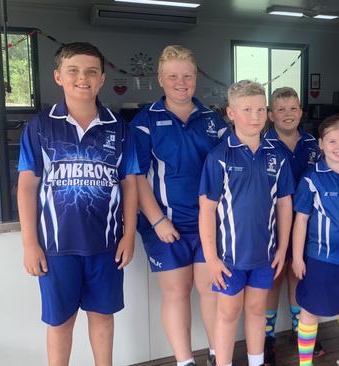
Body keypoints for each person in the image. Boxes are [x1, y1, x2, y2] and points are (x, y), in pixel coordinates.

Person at [17, 42, 138, 366]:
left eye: (91, 72)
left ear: (101, 79)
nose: (82, 78)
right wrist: (29, 242)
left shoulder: (119, 127)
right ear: (58, 76)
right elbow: (27, 186)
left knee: (102, 318)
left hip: (106, 245)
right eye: (73, 71)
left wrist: (128, 235)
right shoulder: (40, 127)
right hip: (56, 248)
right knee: (60, 322)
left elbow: (129, 183)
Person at [131, 45, 228, 366]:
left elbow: (228, 170)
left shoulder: (213, 120)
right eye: (173, 76)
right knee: (176, 294)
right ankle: (185, 362)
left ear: (196, 77)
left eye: (187, 76)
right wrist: (158, 221)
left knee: (212, 291)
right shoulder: (144, 122)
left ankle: (218, 356)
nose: (181, 82)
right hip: (166, 226)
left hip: (208, 226)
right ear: (160, 79)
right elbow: (136, 177)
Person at [198, 80, 294, 366]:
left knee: (256, 313)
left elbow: (285, 204)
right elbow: (207, 210)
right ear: (231, 112)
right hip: (229, 259)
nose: (255, 116)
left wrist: (282, 248)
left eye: (261, 109)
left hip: (264, 257)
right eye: (247, 109)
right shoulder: (219, 156)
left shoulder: (276, 155)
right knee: (227, 316)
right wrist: (211, 258)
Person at [291, 115, 339, 366]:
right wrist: (297, 258)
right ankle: (305, 363)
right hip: (319, 260)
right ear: (321, 144)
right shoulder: (311, 179)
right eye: (332, 141)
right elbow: (300, 220)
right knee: (310, 310)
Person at [263, 87, 323, 365]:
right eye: (281, 109)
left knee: (298, 275)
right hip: (270, 224)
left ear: (301, 111)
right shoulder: (261, 144)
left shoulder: (313, 144)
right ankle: (267, 336)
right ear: (271, 114)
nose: (288, 114)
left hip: (305, 225)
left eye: (293, 108)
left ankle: (300, 329)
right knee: (273, 278)